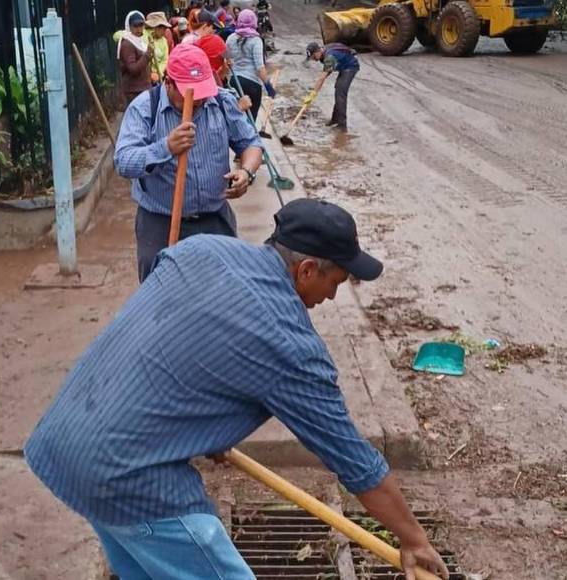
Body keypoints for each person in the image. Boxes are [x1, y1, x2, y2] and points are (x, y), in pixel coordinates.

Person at [25, 198, 452, 580]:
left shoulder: (199, 249)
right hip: (128, 478)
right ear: (306, 270)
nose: (334, 296)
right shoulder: (290, 346)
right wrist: (413, 539)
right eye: (336, 282)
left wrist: (202, 427)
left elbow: (174, 338)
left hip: (66, 441)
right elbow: (354, 460)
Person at [113, 44, 263, 283]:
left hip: (215, 219)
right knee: (160, 293)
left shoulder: (221, 101)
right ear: (168, 83)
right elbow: (123, 161)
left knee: (222, 291)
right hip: (160, 223)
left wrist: (247, 172)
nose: (198, 100)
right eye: (189, 93)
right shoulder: (145, 108)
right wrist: (165, 147)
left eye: (203, 92)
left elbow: (251, 144)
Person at [226, 8, 277, 121]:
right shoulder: (256, 40)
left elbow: (226, 60)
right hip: (252, 84)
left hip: (234, 82)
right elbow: (260, 68)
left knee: (235, 117)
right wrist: (268, 86)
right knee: (250, 119)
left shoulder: (230, 38)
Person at [306, 41, 360, 132]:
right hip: (343, 65)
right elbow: (328, 69)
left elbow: (322, 78)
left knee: (340, 93)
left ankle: (342, 125)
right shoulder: (324, 53)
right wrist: (314, 91)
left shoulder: (329, 57)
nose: (314, 60)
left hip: (350, 67)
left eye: (313, 57)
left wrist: (312, 94)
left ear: (317, 51)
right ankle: (335, 119)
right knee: (338, 91)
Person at [116, 11, 153, 105]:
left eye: (141, 25)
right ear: (129, 27)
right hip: (134, 92)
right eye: (135, 26)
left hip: (142, 89)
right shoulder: (127, 44)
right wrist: (147, 55)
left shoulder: (140, 41)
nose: (138, 29)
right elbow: (133, 69)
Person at [146, 12, 173, 82]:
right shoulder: (144, 36)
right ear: (156, 27)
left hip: (157, 77)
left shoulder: (164, 41)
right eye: (163, 28)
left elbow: (165, 60)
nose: (165, 31)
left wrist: (158, 73)